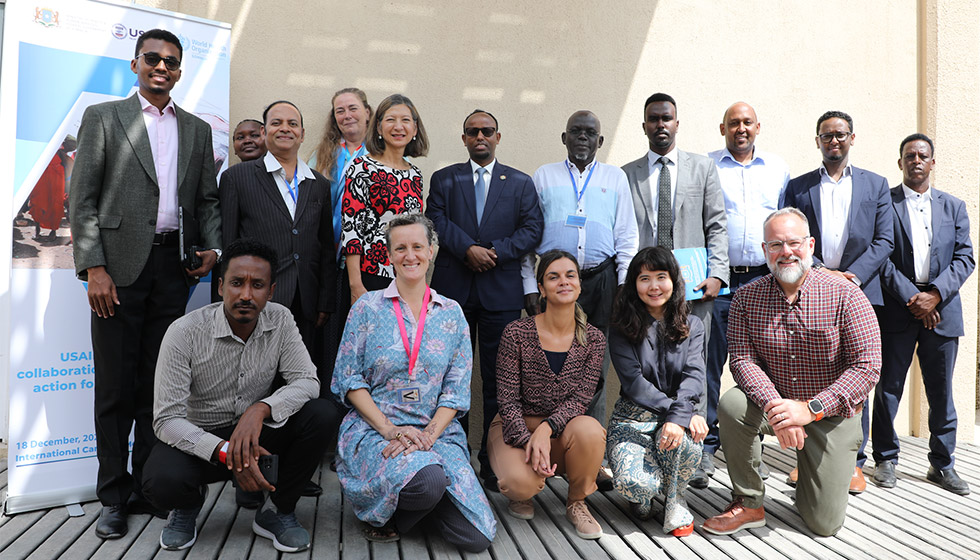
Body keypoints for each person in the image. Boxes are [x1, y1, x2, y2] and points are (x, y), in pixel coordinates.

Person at [69, 28, 221, 539]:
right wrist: (94, 268)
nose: (162, 67)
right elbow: (82, 199)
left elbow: (207, 203)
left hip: (172, 272)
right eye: (152, 58)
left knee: (161, 388)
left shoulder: (197, 130)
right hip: (115, 273)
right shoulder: (104, 118)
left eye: (171, 62)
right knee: (115, 386)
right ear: (136, 64)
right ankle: (114, 496)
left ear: (180, 71)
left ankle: (151, 486)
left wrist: (213, 250)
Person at [143, 239, 338, 552]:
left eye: (257, 285)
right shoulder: (184, 332)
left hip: (256, 434)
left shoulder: (281, 319)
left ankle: (277, 509)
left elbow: (307, 380)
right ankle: (188, 505)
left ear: (271, 291)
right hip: (203, 441)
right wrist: (226, 452)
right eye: (237, 283)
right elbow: (167, 420)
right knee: (161, 480)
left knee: (322, 413)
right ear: (221, 287)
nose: (246, 294)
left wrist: (260, 410)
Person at [702, 208, 880, 537]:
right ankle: (749, 501)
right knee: (733, 405)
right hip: (779, 406)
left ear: (810, 245)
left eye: (794, 243)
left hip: (831, 414)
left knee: (824, 524)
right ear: (764, 250)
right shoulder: (745, 298)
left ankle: (813, 478)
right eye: (775, 245)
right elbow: (742, 361)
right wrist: (778, 408)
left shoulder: (846, 295)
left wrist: (810, 409)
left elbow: (867, 366)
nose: (786, 252)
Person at [331, 213, 495, 552]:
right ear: (389, 255)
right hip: (376, 430)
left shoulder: (451, 313)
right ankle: (388, 512)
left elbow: (456, 389)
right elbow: (348, 379)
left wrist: (428, 437)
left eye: (418, 246)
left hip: (436, 431)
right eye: (401, 248)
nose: (410, 256)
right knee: (431, 479)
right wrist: (391, 430)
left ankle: (412, 499)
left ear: (432, 250)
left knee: (476, 537)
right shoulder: (366, 308)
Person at [219, 100, 339, 505]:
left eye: (293, 123)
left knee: (297, 388)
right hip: (257, 301)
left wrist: (323, 299)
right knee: (254, 386)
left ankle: (290, 472)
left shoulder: (318, 185)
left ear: (303, 134)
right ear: (266, 132)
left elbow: (323, 248)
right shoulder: (238, 178)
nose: (285, 128)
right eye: (276, 123)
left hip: (305, 304)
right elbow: (230, 244)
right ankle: (248, 478)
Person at [425, 109, 544, 492]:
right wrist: (468, 250)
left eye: (487, 131)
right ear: (463, 139)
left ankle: (493, 462)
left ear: (498, 136)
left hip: (501, 293)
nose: (480, 136)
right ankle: (454, 458)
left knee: (499, 382)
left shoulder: (521, 183)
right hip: (453, 292)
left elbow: (532, 229)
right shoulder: (445, 179)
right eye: (472, 131)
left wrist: (492, 251)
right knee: (452, 381)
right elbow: (435, 221)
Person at [781, 110, 893, 493]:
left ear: (852, 138)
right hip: (809, 291)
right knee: (809, 372)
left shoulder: (876, 185)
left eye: (840, 135)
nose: (834, 141)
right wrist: (821, 276)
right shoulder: (798, 187)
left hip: (859, 292)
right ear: (817, 141)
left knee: (856, 378)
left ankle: (853, 463)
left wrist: (849, 278)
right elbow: (791, 237)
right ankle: (807, 459)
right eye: (826, 136)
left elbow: (884, 241)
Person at [871, 134, 975, 495]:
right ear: (900, 163)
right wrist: (913, 298)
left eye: (922, 155)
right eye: (909, 156)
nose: (916, 160)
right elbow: (880, 256)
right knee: (888, 389)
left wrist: (934, 295)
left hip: (942, 310)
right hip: (897, 309)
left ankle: (942, 465)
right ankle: (886, 459)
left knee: (942, 392)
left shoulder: (954, 207)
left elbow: (965, 258)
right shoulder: (886, 203)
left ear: (933, 162)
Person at [521, 110, 638, 428]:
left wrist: (623, 285)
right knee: (549, 364)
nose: (582, 137)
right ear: (564, 138)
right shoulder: (543, 176)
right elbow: (528, 236)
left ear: (600, 141)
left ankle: (591, 451)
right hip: (554, 284)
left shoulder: (615, 178)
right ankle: (549, 451)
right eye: (575, 131)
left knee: (595, 367)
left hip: (602, 281)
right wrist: (530, 286)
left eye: (590, 132)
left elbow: (627, 235)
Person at [491, 250, 608, 540]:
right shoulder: (516, 333)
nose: (563, 282)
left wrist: (546, 428)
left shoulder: (593, 338)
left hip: (562, 430)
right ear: (541, 288)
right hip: (513, 429)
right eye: (553, 277)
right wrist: (528, 439)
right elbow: (506, 400)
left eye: (570, 275)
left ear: (580, 284)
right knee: (519, 484)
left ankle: (577, 502)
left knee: (591, 430)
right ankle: (525, 490)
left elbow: (581, 399)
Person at [702, 102, 790, 483]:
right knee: (708, 363)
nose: (741, 128)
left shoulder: (778, 169)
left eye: (747, 123)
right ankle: (705, 449)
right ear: (722, 128)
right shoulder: (707, 166)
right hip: (719, 281)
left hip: (762, 280)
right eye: (734, 123)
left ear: (758, 127)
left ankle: (751, 447)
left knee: (763, 365)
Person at [607, 247, 707, 536]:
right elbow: (633, 383)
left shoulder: (693, 325)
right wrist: (680, 413)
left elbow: (694, 375)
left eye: (661, 277)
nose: (653, 286)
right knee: (634, 485)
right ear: (633, 284)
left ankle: (676, 496)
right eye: (644, 278)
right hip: (632, 420)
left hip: (676, 416)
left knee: (686, 442)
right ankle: (644, 495)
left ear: (674, 280)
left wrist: (678, 418)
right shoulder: (621, 326)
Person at [621, 92, 729, 342]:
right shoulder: (626, 174)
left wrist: (717, 275)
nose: (660, 124)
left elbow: (717, 226)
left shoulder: (703, 168)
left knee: (693, 365)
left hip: (693, 287)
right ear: (644, 126)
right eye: (654, 119)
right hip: (644, 289)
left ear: (676, 124)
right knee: (645, 361)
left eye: (666, 118)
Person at [309, 88, 372, 383]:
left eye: (353, 108)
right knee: (331, 339)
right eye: (340, 111)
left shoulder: (380, 155)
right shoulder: (323, 155)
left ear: (368, 112)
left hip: (370, 263)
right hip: (330, 259)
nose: (347, 115)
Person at [341, 93, 428, 302]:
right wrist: (356, 285)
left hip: (407, 274)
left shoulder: (415, 174)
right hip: (371, 275)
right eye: (390, 120)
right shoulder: (361, 167)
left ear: (415, 129)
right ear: (379, 128)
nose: (398, 127)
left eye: (405, 120)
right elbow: (351, 229)